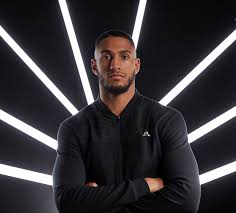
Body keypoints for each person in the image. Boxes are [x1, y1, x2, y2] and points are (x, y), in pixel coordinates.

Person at [52, 30, 201, 213]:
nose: (115, 65)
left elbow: (186, 200)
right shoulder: (73, 128)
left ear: (136, 65)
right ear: (94, 66)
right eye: (106, 56)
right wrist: (145, 186)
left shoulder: (166, 119)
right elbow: (67, 202)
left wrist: (96, 202)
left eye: (124, 56)